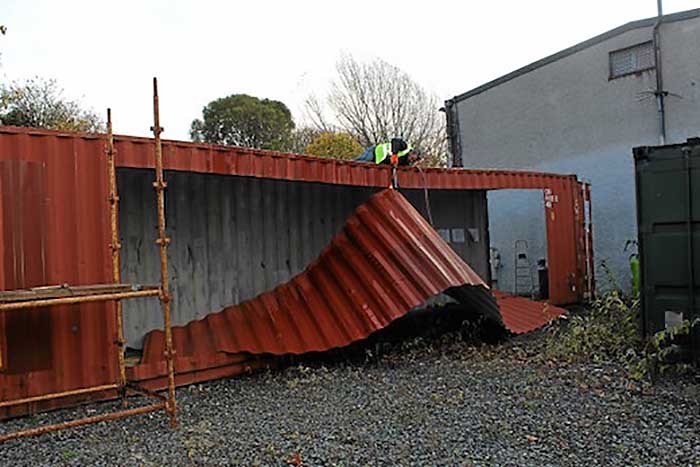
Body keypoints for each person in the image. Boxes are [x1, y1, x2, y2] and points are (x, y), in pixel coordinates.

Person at [354, 138, 421, 166]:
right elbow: (395, 141)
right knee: (356, 163)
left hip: (377, 161)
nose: (411, 160)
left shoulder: (404, 162)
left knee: (363, 166)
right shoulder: (405, 147)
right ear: (411, 153)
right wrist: (394, 155)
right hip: (375, 151)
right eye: (412, 158)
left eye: (413, 161)